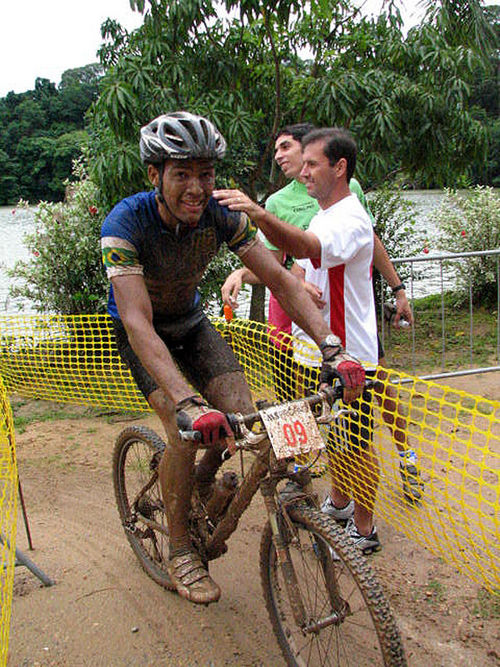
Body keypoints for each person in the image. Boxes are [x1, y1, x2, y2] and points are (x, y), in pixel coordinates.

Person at [100, 112, 366, 605]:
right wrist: (185, 401)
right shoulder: (126, 222)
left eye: (206, 174)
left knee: (239, 420)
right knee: (185, 432)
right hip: (144, 336)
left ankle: (195, 490)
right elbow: (137, 322)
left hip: (193, 325)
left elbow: (283, 280)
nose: (197, 188)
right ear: (155, 176)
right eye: (182, 174)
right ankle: (180, 548)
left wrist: (333, 346)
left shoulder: (223, 214)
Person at [221, 123, 424, 503]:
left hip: (343, 343)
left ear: (330, 162)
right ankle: (309, 484)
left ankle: (388, 479)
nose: (288, 161)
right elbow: (285, 264)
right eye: (279, 151)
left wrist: (397, 288)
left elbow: (337, 244)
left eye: (292, 151)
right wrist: (245, 271)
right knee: (303, 415)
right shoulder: (293, 204)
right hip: (294, 328)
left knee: (358, 429)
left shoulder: (346, 204)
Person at [214, 127, 381, 552]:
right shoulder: (325, 214)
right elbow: (300, 271)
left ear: (340, 168)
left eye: (312, 164)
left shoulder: (350, 217)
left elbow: (306, 248)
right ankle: (341, 503)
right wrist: (256, 275)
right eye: (301, 164)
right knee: (336, 437)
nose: (303, 173)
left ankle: (364, 530)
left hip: (350, 355)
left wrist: (259, 214)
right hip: (316, 348)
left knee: (357, 443)